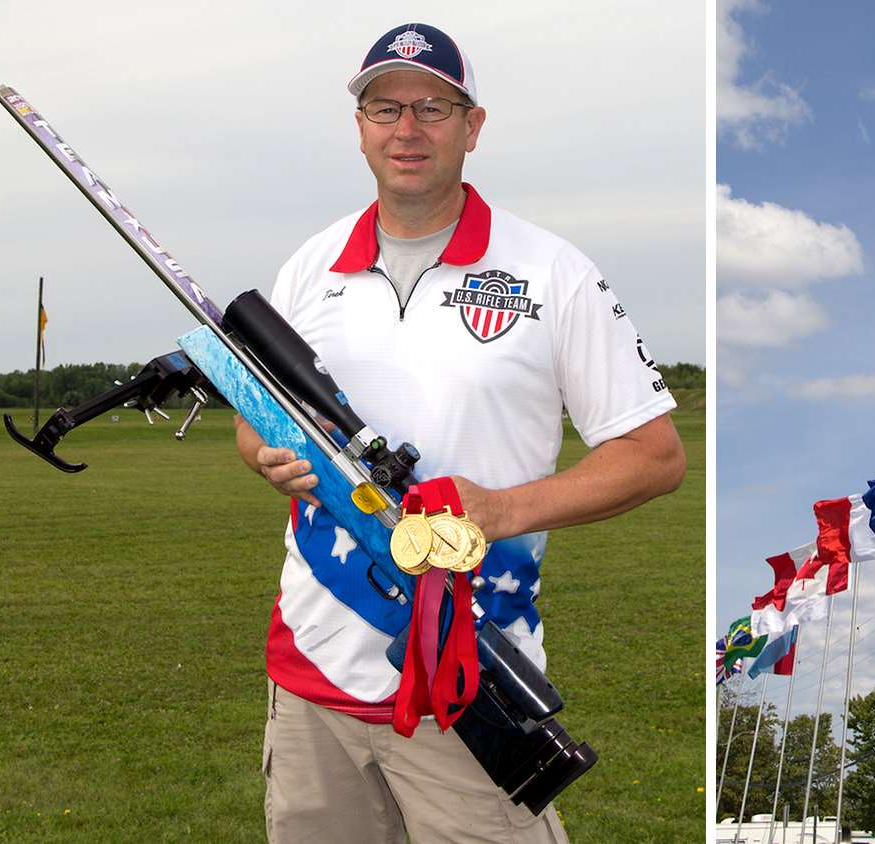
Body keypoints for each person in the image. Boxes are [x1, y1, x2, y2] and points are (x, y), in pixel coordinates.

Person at [233, 22, 685, 843]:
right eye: (384, 108)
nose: (407, 129)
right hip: (310, 679)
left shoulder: (553, 272)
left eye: (432, 108)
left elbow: (653, 456)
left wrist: (500, 511)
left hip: (467, 680)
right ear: (360, 127)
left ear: (472, 127)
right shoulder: (310, 264)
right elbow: (251, 420)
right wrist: (267, 455)